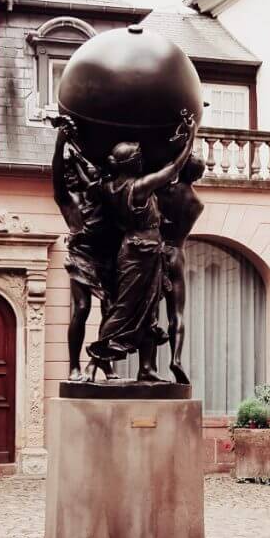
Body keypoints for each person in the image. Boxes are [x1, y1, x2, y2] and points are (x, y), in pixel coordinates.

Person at [87, 112, 197, 382]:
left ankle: (147, 369)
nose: (142, 159)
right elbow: (173, 169)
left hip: (140, 251)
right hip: (141, 252)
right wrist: (191, 136)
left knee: (147, 310)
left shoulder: (108, 186)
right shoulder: (138, 186)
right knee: (124, 309)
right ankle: (93, 362)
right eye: (138, 157)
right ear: (131, 163)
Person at [50, 116, 120, 382]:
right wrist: (60, 143)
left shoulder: (98, 193)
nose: (69, 176)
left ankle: (104, 361)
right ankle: (74, 366)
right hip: (81, 257)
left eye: (71, 171)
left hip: (106, 256)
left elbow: (104, 171)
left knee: (110, 310)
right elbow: (57, 171)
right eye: (66, 173)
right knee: (81, 308)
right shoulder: (67, 201)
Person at [156, 153, 205, 384]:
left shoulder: (164, 192)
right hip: (177, 253)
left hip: (157, 253)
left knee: (151, 313)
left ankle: (151, 365)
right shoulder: (197, 204)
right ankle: (176, 359)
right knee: (176, 313)